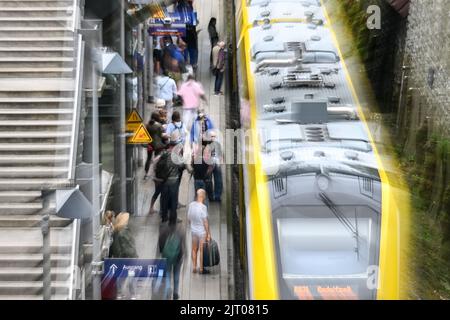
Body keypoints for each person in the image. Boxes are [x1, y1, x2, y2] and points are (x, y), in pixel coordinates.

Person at [157, 140, 185, 224]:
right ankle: (173, 219)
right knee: (173, 201)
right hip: (174, 181)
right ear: (173, 147)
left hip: (164, 181)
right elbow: (182, 166)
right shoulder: (175, 156)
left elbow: (156, 164)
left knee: (164, 199)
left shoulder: (163, 154)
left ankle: (164, 217)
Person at [158, 221, 185, 300]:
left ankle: (168, 288)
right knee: (176, 275)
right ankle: (175, 293)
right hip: (178, 257)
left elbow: (160, 244)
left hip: (166, 257)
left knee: (168, 274)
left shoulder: (163, 230)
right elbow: (183, 244)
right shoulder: (180, 230)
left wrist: (162, 253)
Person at [187, 189, 211, 274]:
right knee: (201, 250)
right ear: (201, 196)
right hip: (201, 232)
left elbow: (189, 219)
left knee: (194, 249)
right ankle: (201, 268)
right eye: (204, 195)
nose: (204, 197)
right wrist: (208, 234)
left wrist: (193, 225)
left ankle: (194, 266)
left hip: (194, 232)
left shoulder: (191, 205)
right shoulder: (203, 207)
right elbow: (205, 222)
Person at [144, 111, 167, 180]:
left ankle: (146, 174)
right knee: (157, 159)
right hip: (158, 146)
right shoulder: (159, 125)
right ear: (157, 118)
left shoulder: (147, 125)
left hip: (149, 145)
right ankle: (156, 173)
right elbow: (162, 135)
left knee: (148, 158)